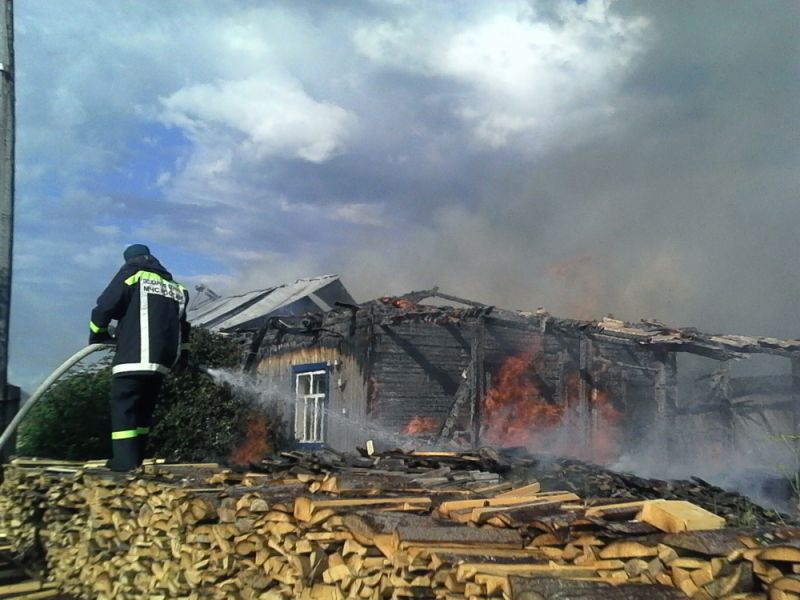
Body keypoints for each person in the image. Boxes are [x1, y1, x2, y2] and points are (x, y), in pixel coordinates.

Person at [89, 244, 190, 471]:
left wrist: (98, 334)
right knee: (143, 410)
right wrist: (183, 357)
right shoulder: (177, 288)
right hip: (162, 363)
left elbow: (105, 307)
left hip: (132, 357)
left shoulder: (132, 274)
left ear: (129, 259)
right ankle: (136, 460)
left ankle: (124, 463)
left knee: (124, 408)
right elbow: (183, 328)